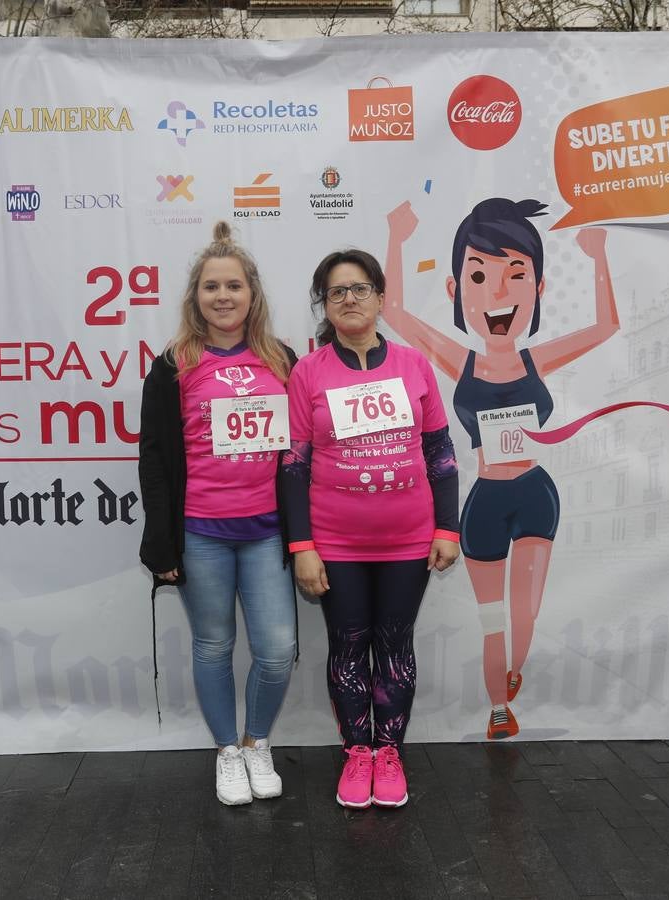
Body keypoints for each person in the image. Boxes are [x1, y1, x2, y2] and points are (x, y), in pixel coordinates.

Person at [383, 198, 618, 740]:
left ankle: (515, 671)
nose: (497, 292)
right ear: (455, 290)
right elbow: (394, 313)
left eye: (516, 275)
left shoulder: (537, 359)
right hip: (485, 502)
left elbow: (606, 325)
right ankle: (498, 707)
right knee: (493, 620)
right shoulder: (459, 360)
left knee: (525, 615)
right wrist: (396, 238)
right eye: (479, 275)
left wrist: (598, 253)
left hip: (536, 495)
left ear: (537, 289)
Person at [284, 248, 459, 809]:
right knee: (348, 645)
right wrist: (302, 545)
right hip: (335, 542)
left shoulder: (413, 366)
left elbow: (440, 452)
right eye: (338, 291)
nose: (351, 299)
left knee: (394, 643)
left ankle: (389, 750)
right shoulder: (307, 372)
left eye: (361, 288)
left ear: (381, 298)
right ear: (325, 304)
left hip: (409, 539)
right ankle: (357, 751)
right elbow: (292, 464)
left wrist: (448, 529)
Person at [138, 222, 298, 807]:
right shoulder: (173, 364)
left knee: (278, 650)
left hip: (267, 534)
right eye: (211, 287)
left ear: (252, 294)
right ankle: (227, 751)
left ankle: (258, 742)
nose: (223, 296)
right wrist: (162, 546)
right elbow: (153, 459)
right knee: (213, 646)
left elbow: (302, 453)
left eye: (234, 285)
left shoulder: (283, 360)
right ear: (195, 297)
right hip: (202, 533)